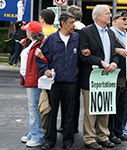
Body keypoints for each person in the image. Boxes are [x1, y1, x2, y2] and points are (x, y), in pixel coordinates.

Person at [79, 5, 124, 149]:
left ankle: (103, 136)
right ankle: (89, 138)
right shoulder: (86, 32)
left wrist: (114, 63)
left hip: (108, 76)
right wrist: (100, 62)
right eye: (107, 14)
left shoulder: (110, 33)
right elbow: (82, 55)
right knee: (91, 109)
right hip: (92, 76)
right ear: (98, 16)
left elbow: (116, 52)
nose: (110, 16)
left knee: (105, 106)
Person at [36, 12, 79, 150]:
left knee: (69, 113)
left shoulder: (77, 38)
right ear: (63, 23)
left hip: (71, 82)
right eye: (71, 22)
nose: (74, 25)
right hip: (54, 83)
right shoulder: (51, 39)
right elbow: (40, 58)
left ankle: (68, 141)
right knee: (52, 112)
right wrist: (45, 70)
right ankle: (50, 140)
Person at [57, 4, 86, 134]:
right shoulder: (85, 29)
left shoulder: (71, 30)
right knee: (75, 100)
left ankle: (65, 125)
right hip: (81, 69)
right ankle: (73, 125)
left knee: (66, 100)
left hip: (70, 69)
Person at [19, 21, 46, 147]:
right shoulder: (33, 43)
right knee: (33, 108)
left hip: (33, 79)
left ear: (31, 33)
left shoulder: (39, 45)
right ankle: (34, 132)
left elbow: (46, 60)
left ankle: (37, 136)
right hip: (30, 77)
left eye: (27, 29)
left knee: (33, 108)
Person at [108, 10, 127, 144]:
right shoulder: (111, 33)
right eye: (123, 19)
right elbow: (105, 48)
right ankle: (111, 131)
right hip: (114, 72)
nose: (126, 21)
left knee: (121, 104)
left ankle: (118, 130)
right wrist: (117, 50)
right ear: (115, 20)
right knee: (113, 104)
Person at [37, 8, 57, 137]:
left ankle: (42, 131)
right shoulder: (56, 32)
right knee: (52, 104)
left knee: (42, 104)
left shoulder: (40, 33)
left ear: (42, 19)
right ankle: (50, 129)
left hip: (43, 73)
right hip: (54, 73)